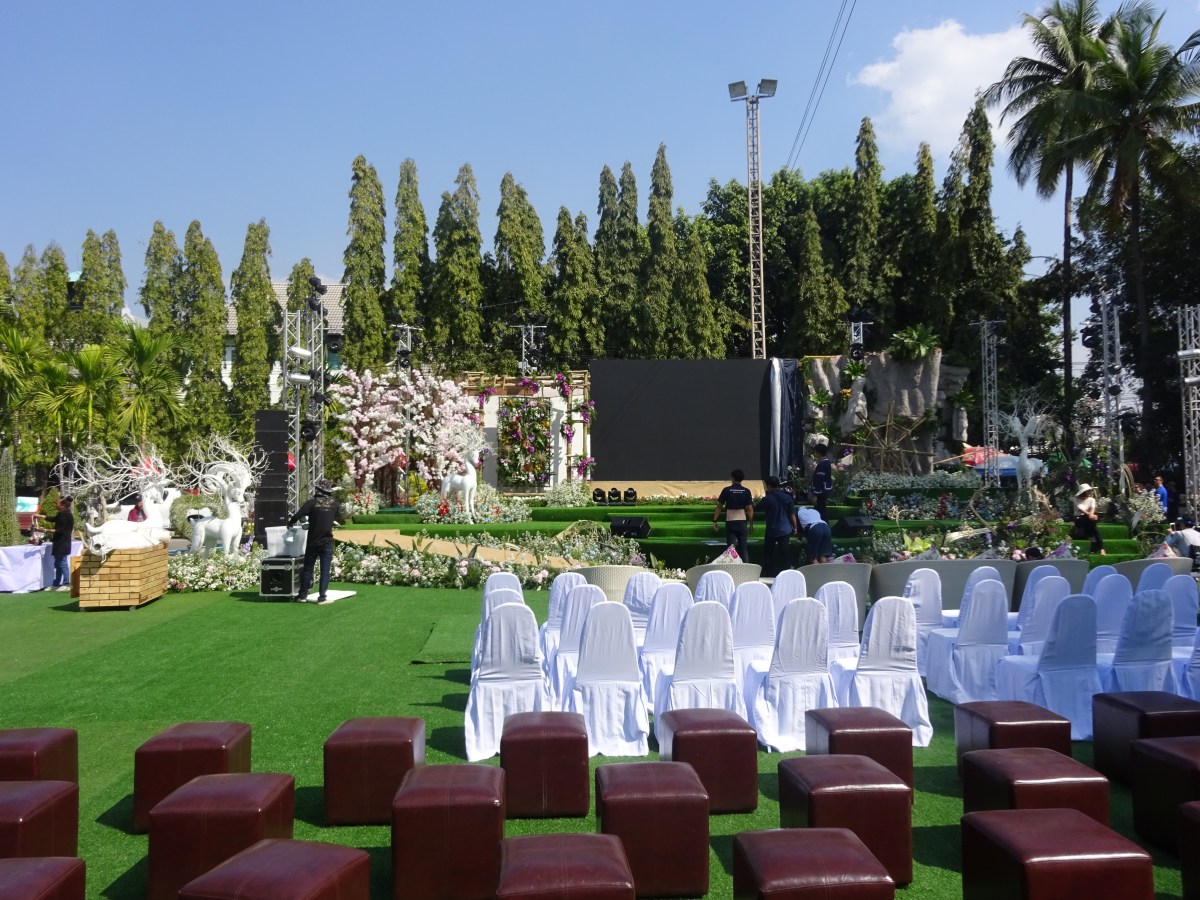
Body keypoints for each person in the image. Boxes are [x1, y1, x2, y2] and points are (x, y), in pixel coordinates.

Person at [287, 479, 338, 604]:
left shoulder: (311, 503)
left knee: (308, 569)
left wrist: (290, 523)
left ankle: (302, 596)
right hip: (327, 541)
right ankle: (322, 597)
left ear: (318, 490)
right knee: (325, 570)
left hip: (313, 541)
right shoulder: (334, 504)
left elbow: (298, 515)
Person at [754, 475, 798, 578]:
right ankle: (786, 574)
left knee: (768, 554)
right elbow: (792, 514)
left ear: (768, 486)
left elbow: (756, 508)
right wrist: (795, 527)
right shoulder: (787, 497)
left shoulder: (767, 499)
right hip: (785, 529)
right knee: (784, 553)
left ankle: (768, 574)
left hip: (771, 530)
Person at [713, 469, 754, 563]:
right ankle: (746, 569)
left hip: (730, 521)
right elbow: (750, 509)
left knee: (731, 549)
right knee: (743, 548)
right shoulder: (746, 491)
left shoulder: (726, 490)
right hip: (742, 521)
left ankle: (732, 569)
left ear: (733, 478)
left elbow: (719, 506)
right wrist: (751, 524)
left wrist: (715, 521)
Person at [39, 496, 75, 591]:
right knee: (58, 564)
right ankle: (56, 583)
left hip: (63, 542)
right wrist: (42, 516)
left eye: (57, 503)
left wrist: (45, 530)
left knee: (62, 563)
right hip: (59, 542)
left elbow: (61, 530)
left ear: (63, 505)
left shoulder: (66, 515)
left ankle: (66, 584)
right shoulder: (61, 514)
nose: (55, 504)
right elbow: (53, 519)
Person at [1072, 483, 1105, 555]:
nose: (1090, 492)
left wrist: (1092, 515)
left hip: (1088, 518)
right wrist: (1090, 515)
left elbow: (1093, 508)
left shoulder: (1092, 499)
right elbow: (1081, 509)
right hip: (1079, 517)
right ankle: (1096, 546)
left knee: (1094, 527)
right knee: (1088, 525)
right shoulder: (1076, 499)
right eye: (1088, 491)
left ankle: (1102, 548)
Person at [810, 443, 834, 519]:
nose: (815, 453)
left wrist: (815, 494)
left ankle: (823, 524)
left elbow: (819, 479)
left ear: (818, 452)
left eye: (815, 451)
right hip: (824, 490)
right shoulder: (826, 462)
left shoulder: (823, 464)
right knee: (822, 510)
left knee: (820, 511)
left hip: (821, 491)